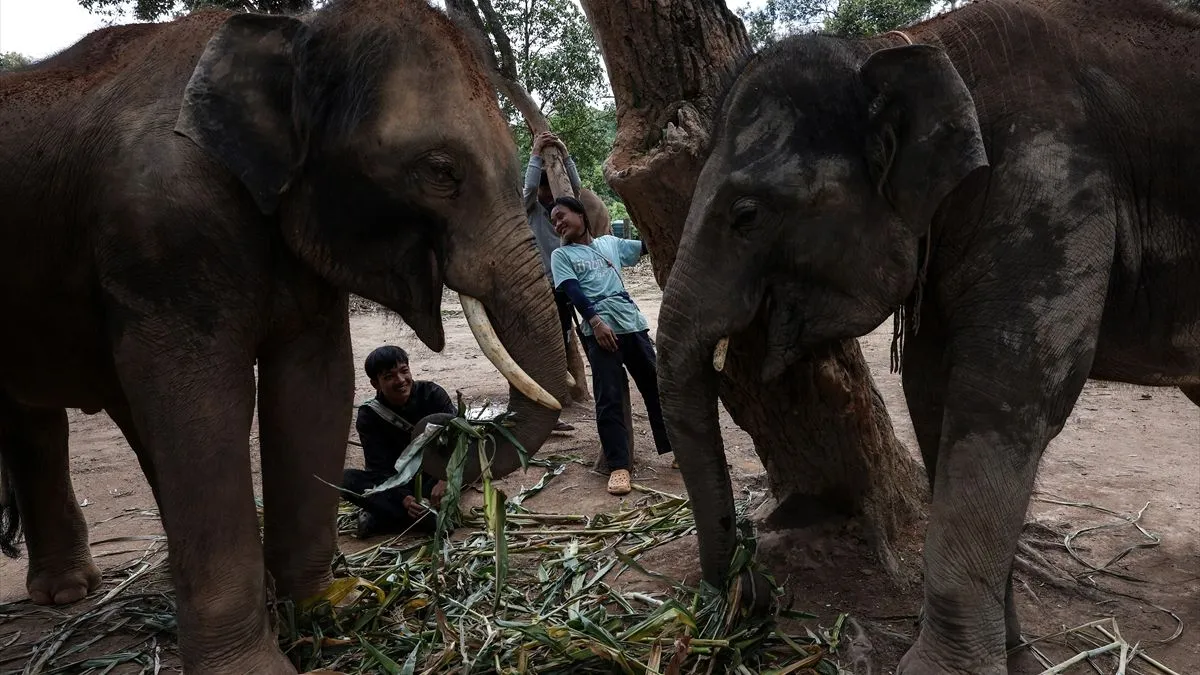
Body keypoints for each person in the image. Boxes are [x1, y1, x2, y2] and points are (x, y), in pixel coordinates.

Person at [548, 196, 674, 496]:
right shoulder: (561, 256)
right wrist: (595, 322)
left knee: (656, 386)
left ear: (581, 214)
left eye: (562, 216)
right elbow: (572, 291)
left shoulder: (610, 244)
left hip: (631, 324)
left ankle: (675, 448)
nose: (558, 223)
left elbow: (644, 247)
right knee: (609, 397)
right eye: (553, 221)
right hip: (600, 332)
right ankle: (619, 467)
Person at [342, 345, 456, 538]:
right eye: (389, 377)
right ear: (375, 384)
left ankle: (381, 517)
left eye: (404, 371)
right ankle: (421, 515)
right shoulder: (369, 415)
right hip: (394, 482)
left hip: (433, 476)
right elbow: (378, 469)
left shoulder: (433, 395)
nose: (401, 380)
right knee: (346, 480)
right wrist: (404, 498)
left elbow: (459, 441)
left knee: (452, 485)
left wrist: (446, 478)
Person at [523, 130, 582, 433]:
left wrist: (565, 154)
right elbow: (528, 191)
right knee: (544, 345)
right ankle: (546, 408)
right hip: (539, 285)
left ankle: (562, 398)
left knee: (565, 339)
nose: (548, 194)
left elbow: (576, 190)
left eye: (550, 188)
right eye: (544, 189)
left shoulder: (564, 210)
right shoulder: (531, 209)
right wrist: (535, 155)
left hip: (564, 284)